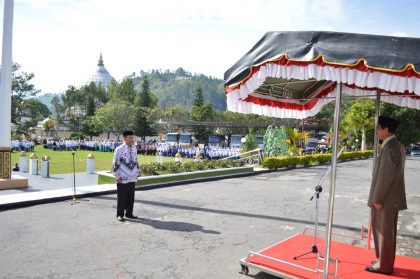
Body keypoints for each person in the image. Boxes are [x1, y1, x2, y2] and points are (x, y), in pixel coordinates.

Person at [365, 116, 407, 275]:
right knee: (385, 232)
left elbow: (385, 176)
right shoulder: (395, 145)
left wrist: (377, 198)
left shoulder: (390, 148)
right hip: (389, 199)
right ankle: (383, 261)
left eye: (378, 128)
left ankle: (384, 266)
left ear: (386, 130)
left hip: (385, 200)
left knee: (384, 233)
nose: (376, 130)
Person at [112, 130, 139, 222]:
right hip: (122, 177)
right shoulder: (119, 149)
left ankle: (129, 213)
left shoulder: (134, 148)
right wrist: (117, 176)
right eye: (130, 137)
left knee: (131, 197)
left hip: (132, 177)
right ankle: (120, 214)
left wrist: (136, 173)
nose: (132, 139)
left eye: (133, 137)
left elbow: (136, 162)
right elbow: (115, 163)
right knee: (122, 197)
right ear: (124, 138)